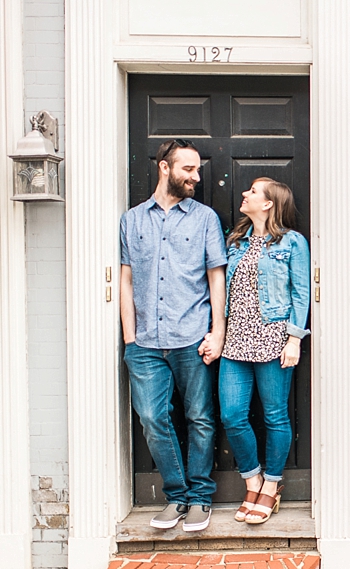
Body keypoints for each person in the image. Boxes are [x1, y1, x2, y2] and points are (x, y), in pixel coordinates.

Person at [120, 139, 227, 532]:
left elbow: (217, 278)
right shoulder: (132, 220)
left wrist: (218, 332)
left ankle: (200, 497)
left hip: (192, 336)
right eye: (188, 169)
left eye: (197, 170)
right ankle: (176, 495)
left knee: (200, 417)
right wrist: (130, 338)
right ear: (165, 168)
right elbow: (126, 280)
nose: (196, 177)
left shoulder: (205, 219)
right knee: (152, 418)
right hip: (145, 343)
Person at [214, 177, 310, 525]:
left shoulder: (292, 243)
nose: (245, 194)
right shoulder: (235, 242)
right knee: (232, 415)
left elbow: (301, 293)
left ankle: (270, 486)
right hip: (235, 341)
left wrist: (295, 339)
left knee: (275, 417)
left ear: (269, 203)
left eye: (253, 192)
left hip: (273, 339)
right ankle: (252, 480)